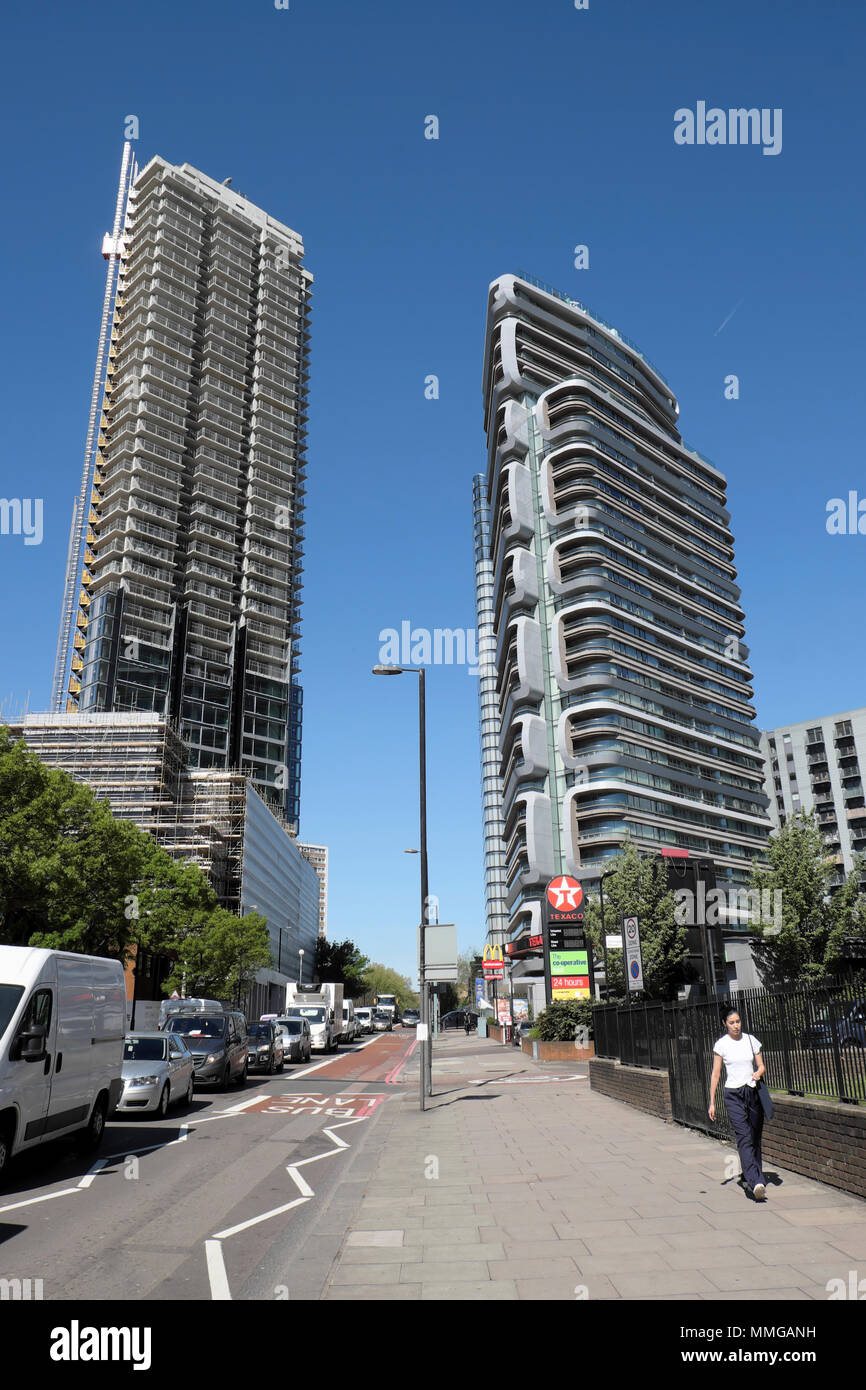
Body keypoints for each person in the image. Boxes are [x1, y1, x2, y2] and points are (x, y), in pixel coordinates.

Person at [709, 1006, 767, 1201]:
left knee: (755, 1135)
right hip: (733, 1094)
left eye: (738, 1021)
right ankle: (755, 1181)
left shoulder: (751, 1040)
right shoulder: (721, 1045)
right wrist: (712, 1102)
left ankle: (751, 1175)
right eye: (732, 1022)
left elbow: (761, 1066)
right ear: (725, 1024)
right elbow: (716, 1074)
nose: (736, 1025)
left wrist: (758, 1072)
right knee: (743, 1136)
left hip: (752, 1091)